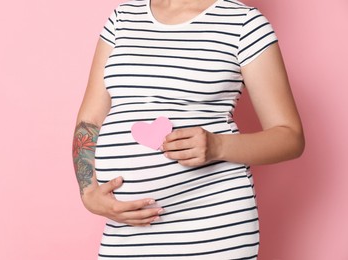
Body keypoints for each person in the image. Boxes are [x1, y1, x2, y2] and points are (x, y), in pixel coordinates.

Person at [72, 0, 305, 258]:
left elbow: (290, 136)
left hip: (212, 226)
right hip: (126, 229)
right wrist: (89, 192)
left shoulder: (244, 23)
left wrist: (218, 146)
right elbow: (91, 119)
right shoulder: (123, 18)